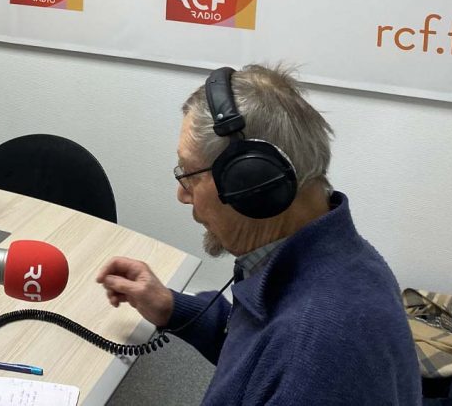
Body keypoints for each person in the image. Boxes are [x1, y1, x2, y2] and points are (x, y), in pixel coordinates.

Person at [96, 64, 420, 405]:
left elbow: (284, 355)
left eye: (189, 174)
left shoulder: (317, 348)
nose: (183, 194)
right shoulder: (330, 261)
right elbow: (257, 353)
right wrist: (172, 307)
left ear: (250, 182)